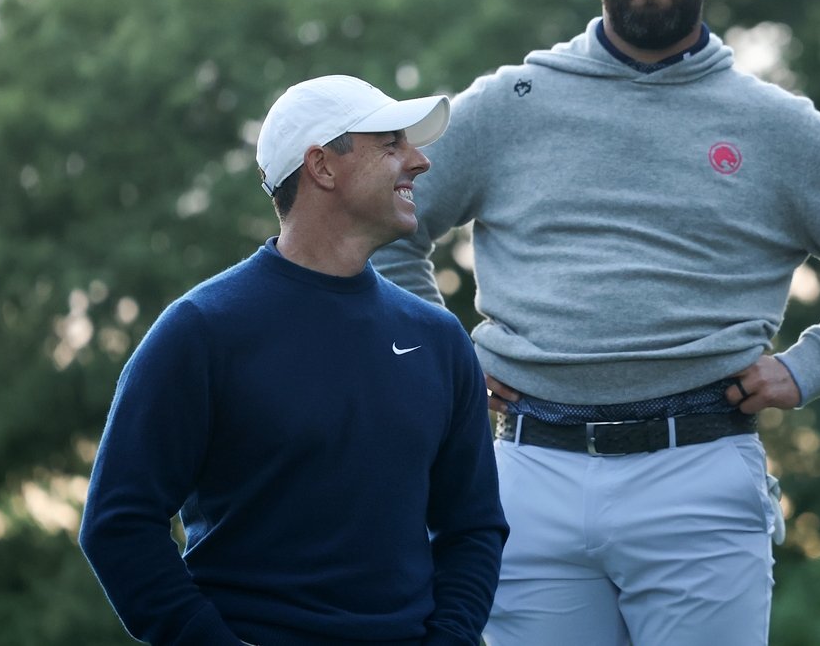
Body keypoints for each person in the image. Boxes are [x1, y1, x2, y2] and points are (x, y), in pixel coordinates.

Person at [371, 0, 820, 646]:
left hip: (700, 471)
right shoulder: (509, 103)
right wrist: (447, 361)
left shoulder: (776, 126)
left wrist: (808, 367)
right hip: (526, 470)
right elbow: (386, 228)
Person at [79, 75, 508, 645]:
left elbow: (473, 527)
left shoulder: (438, 337)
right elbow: (118, 524)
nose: (419, 161)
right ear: (322, 167)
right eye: (390, 144)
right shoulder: (202, 331)